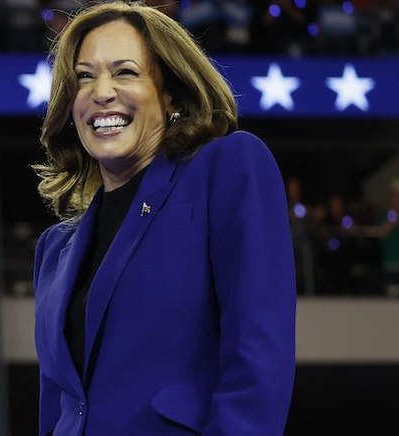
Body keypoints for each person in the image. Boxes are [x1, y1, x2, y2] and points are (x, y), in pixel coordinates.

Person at [31, 2, 295, 434]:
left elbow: (259, 354)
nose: (101, 91)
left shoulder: (227, 168)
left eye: (125, 72)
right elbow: (56, 407)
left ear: (170, 93)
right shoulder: (54, 249)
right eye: (84, 76)